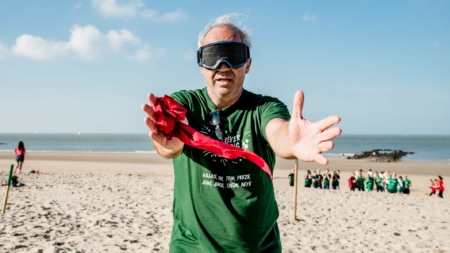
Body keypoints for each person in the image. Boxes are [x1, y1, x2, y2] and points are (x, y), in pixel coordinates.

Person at [141, 13, 341, 252]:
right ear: (201, 65)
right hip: (192, 246)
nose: (223, 66)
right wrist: (168, 146)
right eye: (213, 56)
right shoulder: (186, 103)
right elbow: (168, 137)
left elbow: (278, 132)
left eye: (234, 56)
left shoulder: (264, 108)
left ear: (248, 64)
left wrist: (292, 140)